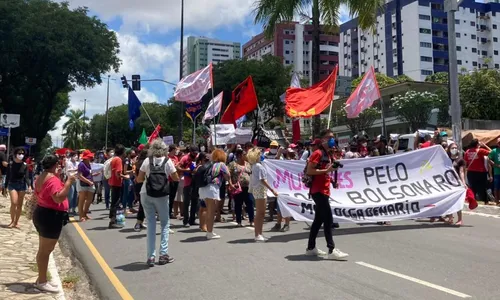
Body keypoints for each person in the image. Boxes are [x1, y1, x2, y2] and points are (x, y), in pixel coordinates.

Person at [33, 155, 74, 293]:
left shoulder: (41, 176)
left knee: (43, 249)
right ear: (55, 165)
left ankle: (41, 278)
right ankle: (42, 281)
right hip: (50, 216)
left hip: (43, 213)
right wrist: (68, 183)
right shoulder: (53, 179)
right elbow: (58, 198)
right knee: (45, 251)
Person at [305, 131, 349, 260]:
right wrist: (327, 170)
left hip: (324, 190)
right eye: (329, 137)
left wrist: (333, 180)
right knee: (328, 219)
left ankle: (310, 248)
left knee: (318, 221)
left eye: (333, 137)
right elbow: (310, 170)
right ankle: (332, 249)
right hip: (318, 191)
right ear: (322, 139)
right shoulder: (317, 153)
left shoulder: (328, 154)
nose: (332, 139)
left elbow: (326, 173)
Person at [136, 139, 179, 266]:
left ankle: (150, 257)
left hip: (146, 193)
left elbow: (139, 179)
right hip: (162, 195)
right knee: (165, 224)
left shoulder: (147, 161)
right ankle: (163, 255)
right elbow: (175, 178)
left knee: (150, 224)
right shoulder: (168, 161)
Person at [198, 149, 231, 240]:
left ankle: (208, 230)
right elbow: (227, 176)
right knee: (211, 212)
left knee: (207, 209)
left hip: (203, 188)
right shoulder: (221, 165)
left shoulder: (209, 164)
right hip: (212, 188)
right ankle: (210, 232)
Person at [247, 147, 277, 242]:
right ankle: (258, 234)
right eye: (259, 154)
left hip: (258, 189)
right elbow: (262, 180)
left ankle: (259, 233)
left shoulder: (255, 166)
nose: (261, 156)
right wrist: (272, 190)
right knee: (260, 213)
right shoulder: (258, 166)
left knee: (261, 213)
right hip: (260, 189)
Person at [6, 147, 30, 229]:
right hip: (12, 184)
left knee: (19, 205)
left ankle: (16, 222)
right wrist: (5, 187)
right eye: (19, 153)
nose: (21, 155)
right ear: (16, 154)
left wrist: (30, 185)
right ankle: (12, 221)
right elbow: (8, 176)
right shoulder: (11, 164)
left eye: (23, 154)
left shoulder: (25, 165)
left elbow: (27, 177)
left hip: (22, 185)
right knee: (14, 202)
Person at [228, 149, 253, 227]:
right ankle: (239, 221)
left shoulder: (248, 164)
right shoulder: (232, 164)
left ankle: (251, 220)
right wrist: (230, 184)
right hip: (238, 188)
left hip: (248, 187)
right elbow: (228, 175)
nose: (246, 156)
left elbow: (252, 174)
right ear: (239, 155)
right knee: (238, 204)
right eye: (244, 154)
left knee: (250, 203)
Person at [464, 139, 492, 205]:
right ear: (477, 144)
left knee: (472, 187)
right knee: (483, 187)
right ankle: (485, 201)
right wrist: (485, 145)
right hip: (481, 172)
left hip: (470, 172)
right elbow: (492, 152)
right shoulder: (480, 150)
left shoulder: (467, 152)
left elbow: (465, 163)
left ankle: (472, 201)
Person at [108, 144, 128, 229]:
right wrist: (125, 177)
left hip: (113, 182)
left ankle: (113, 220)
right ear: (122, 152)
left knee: (114, 202)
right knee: (115, 203)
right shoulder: (118, 160)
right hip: (116, 183)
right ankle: (113, 221)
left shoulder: (114, 159)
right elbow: (118, 173)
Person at [178, 146, 199, 227]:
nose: (195, 154)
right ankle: (185, 220)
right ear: (190, 151)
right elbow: (178, 167)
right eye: (194, 152)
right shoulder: (185, 158)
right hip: (187, 182)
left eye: (196, 152)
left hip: (195, 182)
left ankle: (192, 220)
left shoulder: (197, 158)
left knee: (195, 201)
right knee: (186, 202)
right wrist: (185, 170)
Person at [77, 150, 96, 222]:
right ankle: (81, 215)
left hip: (90, 183)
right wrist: (88, 181)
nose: (91, 158)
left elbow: (89, 174)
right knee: (82, 200)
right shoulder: (81, 164)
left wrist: (92, 180)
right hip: (83, 183)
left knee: (89, 199)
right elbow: (80, 176)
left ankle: (85, 213)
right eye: (89, 157)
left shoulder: (89, 164)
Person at [133, 148, 148, 232]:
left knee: (142, 204)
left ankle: (140, 222)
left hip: (138, 184)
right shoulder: (144, 163)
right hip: (142, 184)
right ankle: (138, 222)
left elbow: (136, 174)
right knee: (143, 205)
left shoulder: (138, 162)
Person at [488, 137, 500, 205]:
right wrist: (495, 165)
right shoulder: (494, 151)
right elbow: (488, 159)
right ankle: (496, 200)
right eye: (499, 143)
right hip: (497, 172)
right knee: (496, 187)